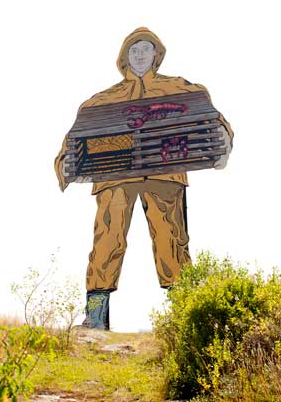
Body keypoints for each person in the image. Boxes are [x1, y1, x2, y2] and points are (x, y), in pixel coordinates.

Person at [54, 27, 233, 330]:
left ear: (156, 54)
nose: (139, 55)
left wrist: (222, 142)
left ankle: (184, 316)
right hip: (116, 177)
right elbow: (75, 139)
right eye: (133, 50)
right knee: (106, 240)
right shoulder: (100, 101)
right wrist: (64, 165)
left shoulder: (181, 89)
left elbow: (214, 121)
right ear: (124, 57)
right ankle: (96, 318)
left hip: (165, 173)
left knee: (172, 241)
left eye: (145, 49)